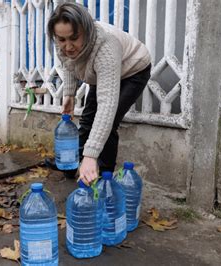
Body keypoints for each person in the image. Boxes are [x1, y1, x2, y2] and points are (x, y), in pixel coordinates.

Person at [46, 3, 151, 184]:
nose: (68, 46)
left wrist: (91, 154)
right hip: (99, 72)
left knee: (108, 123)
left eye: (74, 38)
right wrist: (69, 95)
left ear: (86, 31)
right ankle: (72, 165)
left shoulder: (106, 47)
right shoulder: (62, 42)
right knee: (87, 120)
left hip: (133, 70)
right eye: (62, 40)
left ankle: (102, 177)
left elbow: (106, 108)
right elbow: (70, 64)